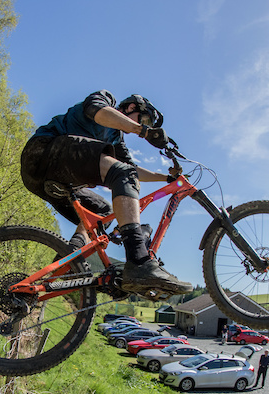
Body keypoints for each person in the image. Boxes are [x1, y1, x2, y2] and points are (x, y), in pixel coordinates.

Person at [20, 90, 192, 297]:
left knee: (103, 213)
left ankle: (68, 258)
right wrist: (142, 131)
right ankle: (138, 259)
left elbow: (132, 170)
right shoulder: (105, 100)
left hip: (50, 179)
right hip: (43, 153)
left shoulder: (116, 140)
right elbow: (98, 111)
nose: (145, 124)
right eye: (144, 118)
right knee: (123, 173)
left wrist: (166, 178)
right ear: (130, 107)